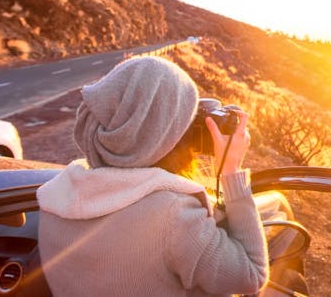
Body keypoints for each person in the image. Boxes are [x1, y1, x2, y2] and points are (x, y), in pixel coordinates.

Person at [37, 57, 269, 296]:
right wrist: (231, 170)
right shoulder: (173, 215)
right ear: (165, 133)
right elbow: (252, 275)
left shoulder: (54, 195)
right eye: (185, 119)